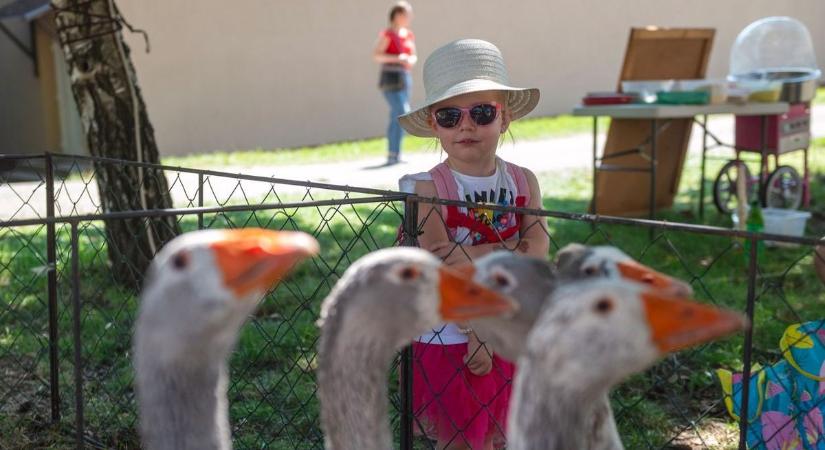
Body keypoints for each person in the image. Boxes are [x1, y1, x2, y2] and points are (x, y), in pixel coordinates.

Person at [398, 39, 550, 450]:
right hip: (448, 333)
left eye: (482, 113)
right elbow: (438, 260)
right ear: (434, 125)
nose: (466, 126)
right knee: (459, 437)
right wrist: (507, 250)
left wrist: (471, 254)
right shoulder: (426, 188)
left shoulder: (522, 181)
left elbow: (538, 244)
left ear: (505, 118)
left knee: (503, 432)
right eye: (450, 116)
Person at [373, 1, 416, 165]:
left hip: (404, 79)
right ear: (397, 15)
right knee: (402, 112)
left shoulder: (409, 35)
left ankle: (394, 154)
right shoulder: (388, 35)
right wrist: (398, 58)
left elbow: (413, 55)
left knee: (396, 116)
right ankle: (394, 153)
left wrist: (409, 59)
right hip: (390, 80)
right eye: (407, 14)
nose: (410, 17)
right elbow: (377, 55)